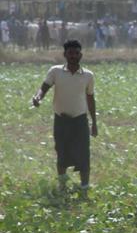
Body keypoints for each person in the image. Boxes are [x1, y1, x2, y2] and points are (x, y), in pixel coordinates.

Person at [31, 39, 98, 199]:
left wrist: (94, 123)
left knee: (84, 155)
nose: (73, 56)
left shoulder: (88, 76)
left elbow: (90, 98)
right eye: (70, 53)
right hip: (61, 120)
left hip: (80, 120)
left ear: (80, 55)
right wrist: (38, 97)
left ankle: (84, 189)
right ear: (65, 55)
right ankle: (62, 186)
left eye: (76, 53)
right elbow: (44, 88)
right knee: (61, 153)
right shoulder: (55, 71)